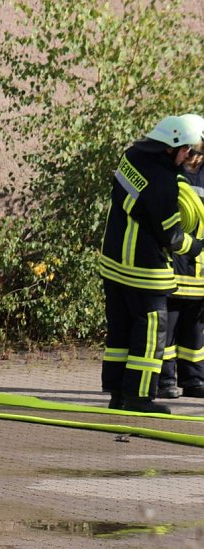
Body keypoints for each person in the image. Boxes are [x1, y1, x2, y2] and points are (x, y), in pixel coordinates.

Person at [100, 115, 204, 414]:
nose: (188, 155)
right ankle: (139, 397)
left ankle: (117, 393)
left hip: (114, 261)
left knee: (120, 331)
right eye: (185, 149)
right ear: (171, 145)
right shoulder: (163, 184)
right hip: (144, 269)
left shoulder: (131, 157)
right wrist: (195, 245)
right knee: (149, 336)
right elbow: (171, 235)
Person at [158, 113, 204, 400]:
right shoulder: (170, 172)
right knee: (169, 327)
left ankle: (194, 379)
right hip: (174, 263)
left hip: (199, 266)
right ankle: (165, 381)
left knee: (196, 330)